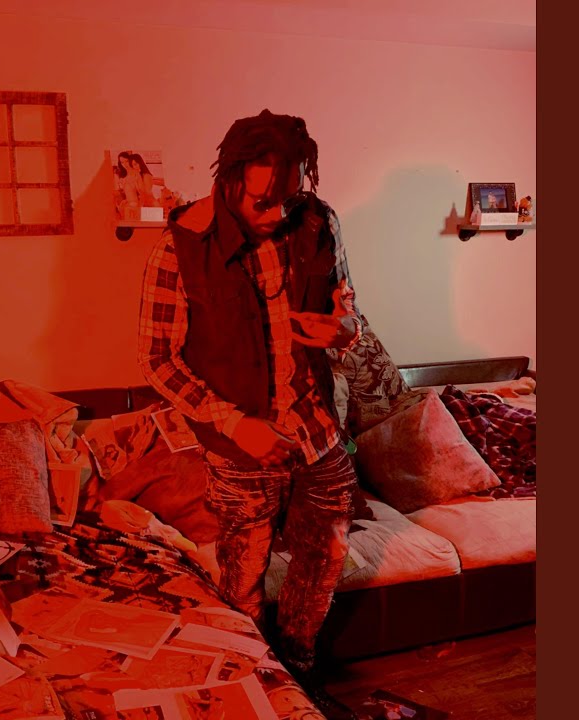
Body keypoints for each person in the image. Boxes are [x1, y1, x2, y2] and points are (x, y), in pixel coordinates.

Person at [137, 109, 370, 711]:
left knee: (325, 561)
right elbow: (157, 360)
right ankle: (252, 684)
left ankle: (298, 677)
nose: (277, 213)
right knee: (242, 578)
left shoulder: (319, 222)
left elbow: (350, 306)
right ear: (230, 179)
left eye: (288, 197)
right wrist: (233, 422)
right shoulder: (179, 247)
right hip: (238, 445)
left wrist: (344, 330)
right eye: (263, 200)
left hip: (318, 433)